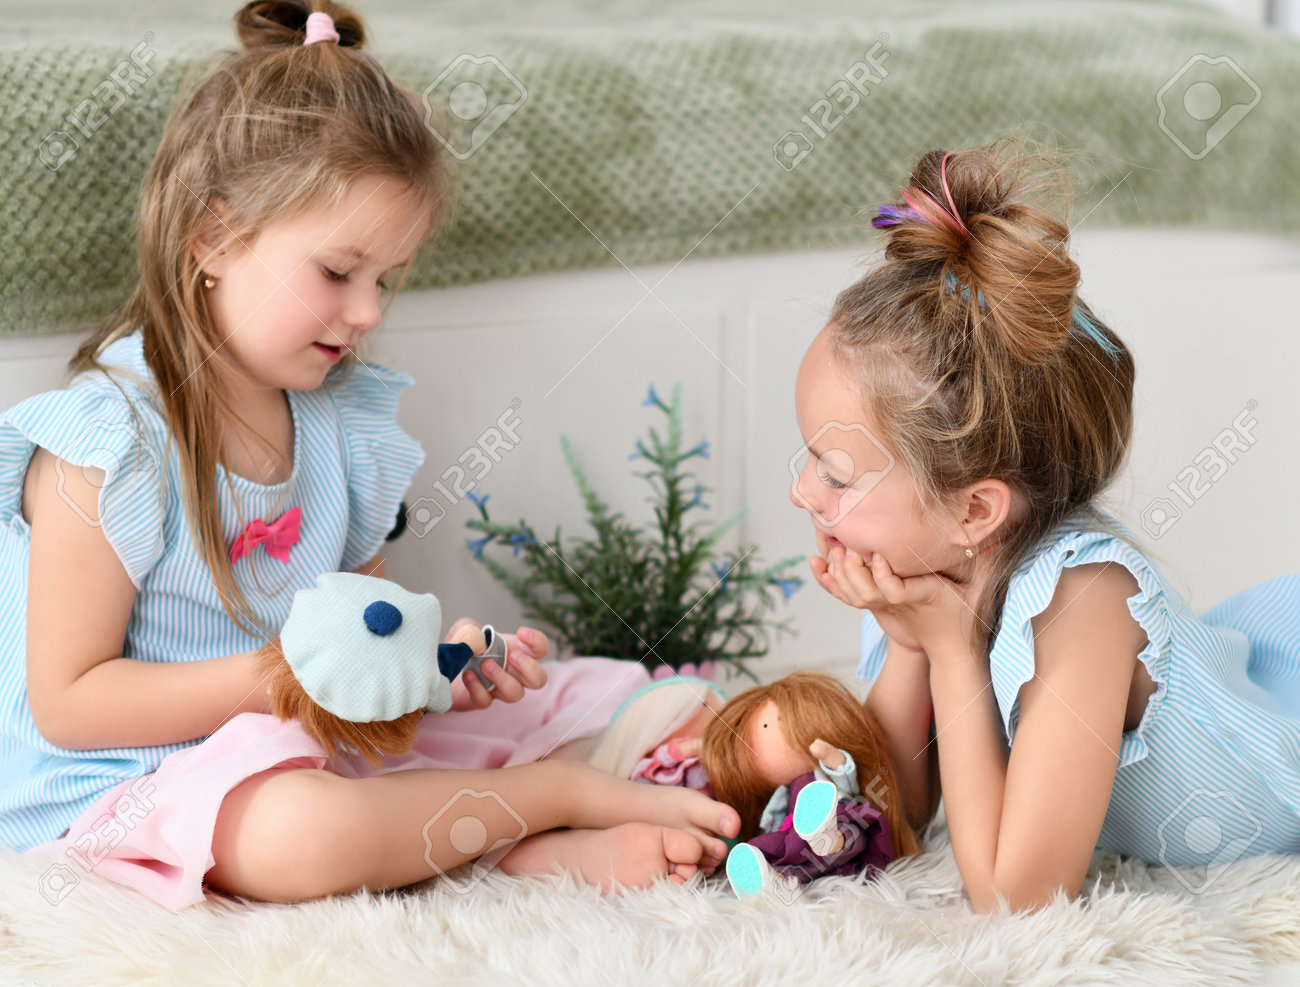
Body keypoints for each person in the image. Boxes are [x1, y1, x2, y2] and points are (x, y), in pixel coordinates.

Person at [0, 0, 738, 910]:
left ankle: (510, 848)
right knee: (303, 831)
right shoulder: (110, 440)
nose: (369, 312)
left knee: (651, 703)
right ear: (213, 236)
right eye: (337, 272)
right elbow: (70, 702)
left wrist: (434, 665)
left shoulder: (341, 422)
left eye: (385, 278)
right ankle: (550, 802)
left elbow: (368, 625)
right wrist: (283, 678)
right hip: (137, 779)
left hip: (303, 740)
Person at [790, 139, 1300, 913]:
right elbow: (898, 815)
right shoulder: (930, 564)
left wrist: (953, 652)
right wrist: (909, 639)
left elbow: (1016, 895)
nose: (801, 491)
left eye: (833, 472)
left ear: (975, 510)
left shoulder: (1083, 600)